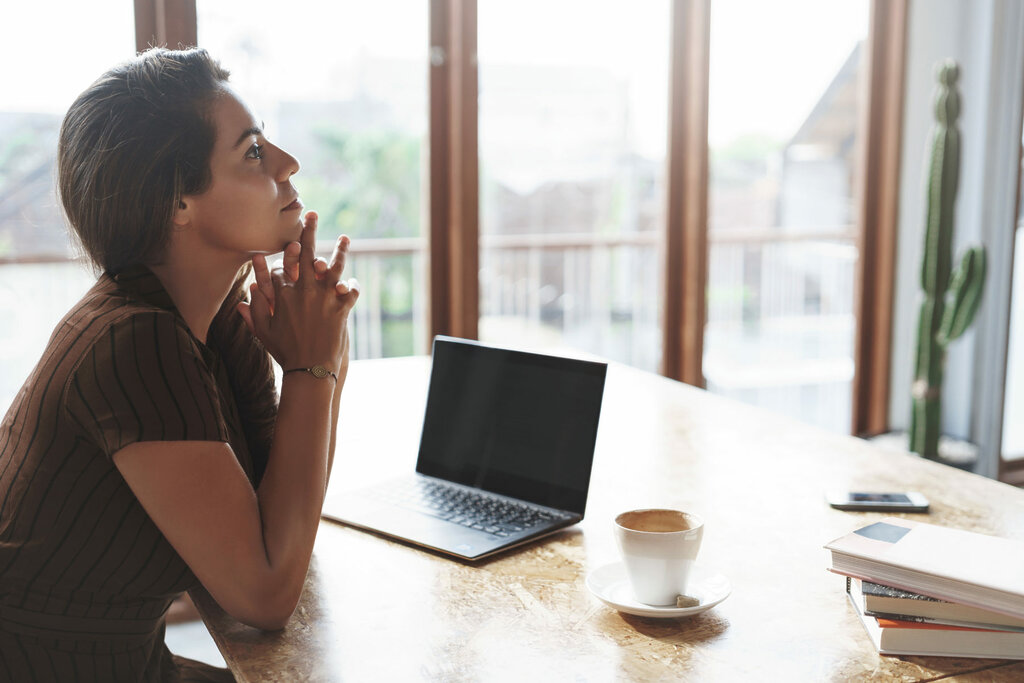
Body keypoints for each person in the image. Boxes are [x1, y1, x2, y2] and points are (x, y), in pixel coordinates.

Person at [0, 47, 358, 681]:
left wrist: (321, 355)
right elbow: (264, 594)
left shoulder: (215, 321)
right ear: (176, 202)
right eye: (252, 152)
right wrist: (312, 369)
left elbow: (281, 513)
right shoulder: (136, 343)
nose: (287, 163)